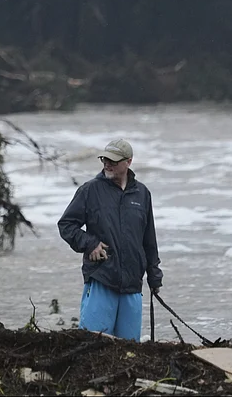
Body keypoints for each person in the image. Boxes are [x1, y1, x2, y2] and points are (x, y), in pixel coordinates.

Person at [58, 138, 162, 340]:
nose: (107, 164)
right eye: (105, 159)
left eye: (113, 161)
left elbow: (149, 240)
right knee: (94, 344)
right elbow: (66, 225)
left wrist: (154, 275)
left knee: (129, 348)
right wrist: (90, 244)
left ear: (128, 162)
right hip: (101, 278)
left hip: (132, 284)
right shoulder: (90, 190)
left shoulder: (142, 194)